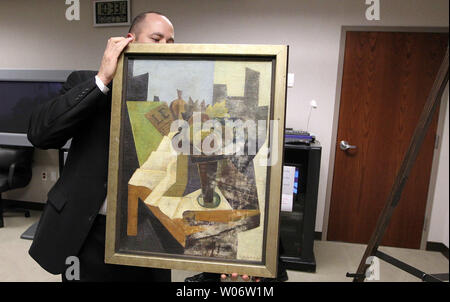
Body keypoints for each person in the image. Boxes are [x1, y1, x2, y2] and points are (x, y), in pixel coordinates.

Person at [28, 11, 175, 282]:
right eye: (156, 38)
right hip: (88, 231)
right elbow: (41, 135)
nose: (165, 47)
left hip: (148, 232)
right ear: (130, 40)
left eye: (171, 41)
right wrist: (102, 81)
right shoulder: (85, 82)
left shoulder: (170, 98)